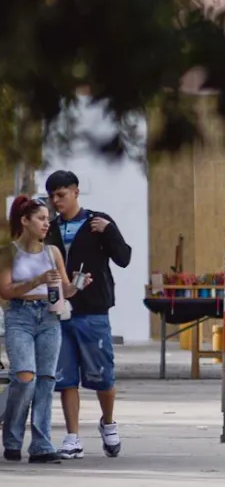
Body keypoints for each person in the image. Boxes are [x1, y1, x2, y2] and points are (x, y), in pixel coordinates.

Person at [44, 170, 132, 459]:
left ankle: (108, 422)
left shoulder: (96, 222)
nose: (57, 201)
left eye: (62, 195)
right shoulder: (50, 228)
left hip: (93, 311)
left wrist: (109, 230)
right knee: (65, 378)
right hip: (59, 313)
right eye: (53, 196)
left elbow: (124, 258)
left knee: (101, 376)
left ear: (76, 192)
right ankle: (72, 437)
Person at [1, 196, 91, 463]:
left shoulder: (52, 252)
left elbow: (65, 289)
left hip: (49, 317)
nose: (45, 224)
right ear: (25, 221)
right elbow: (5, 290)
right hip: (20, 315)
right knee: (24, 376)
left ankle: (41, 445)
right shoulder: (8, 253)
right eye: (40, 218)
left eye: (47, 219)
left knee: (46, 379)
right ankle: (12, 438)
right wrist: (37, 280)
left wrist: (77, 284)